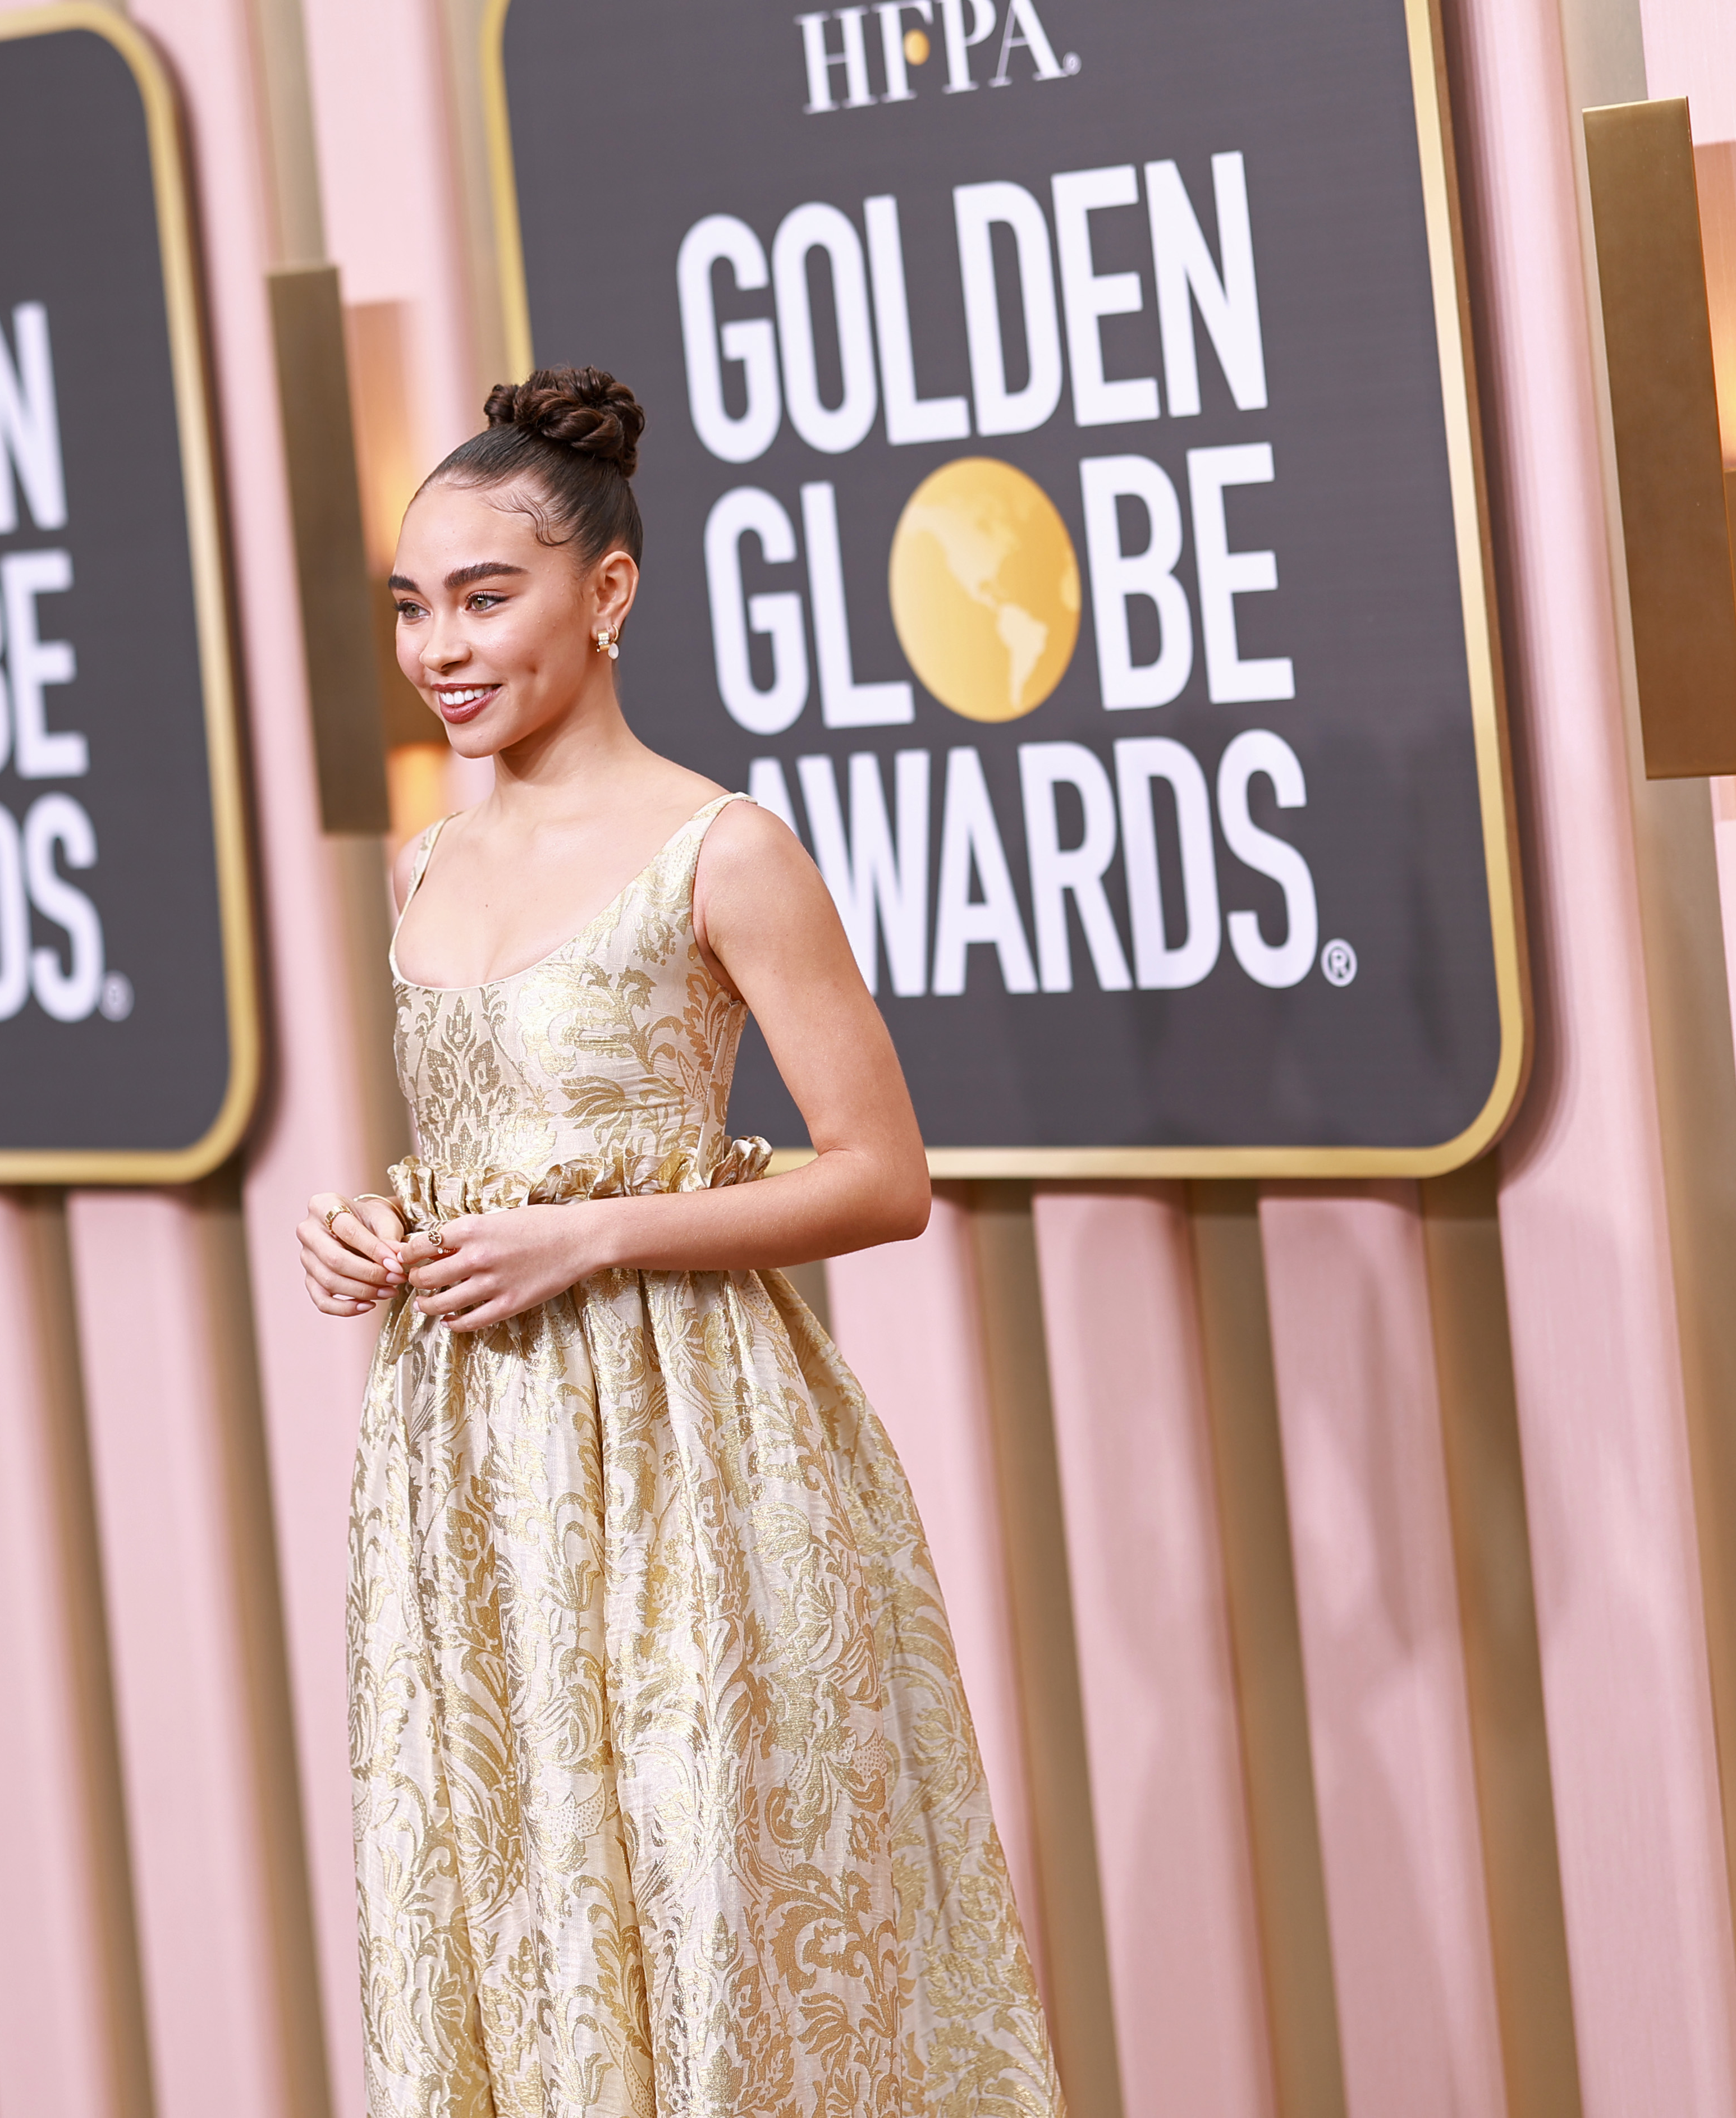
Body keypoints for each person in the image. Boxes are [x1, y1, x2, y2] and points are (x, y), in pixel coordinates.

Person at [296, 371, 1057, 2114]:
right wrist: (374, 1216)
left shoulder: (723, 849)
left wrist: (599, 1241)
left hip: (690, 1457)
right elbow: (476, 1145)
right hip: (467, 1472)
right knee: (518, 1902)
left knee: (711, 1902)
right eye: (411, 606)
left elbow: (880, 1176)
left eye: (484, 597)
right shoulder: (425, 863)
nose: (439, 644)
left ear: (608, 595)